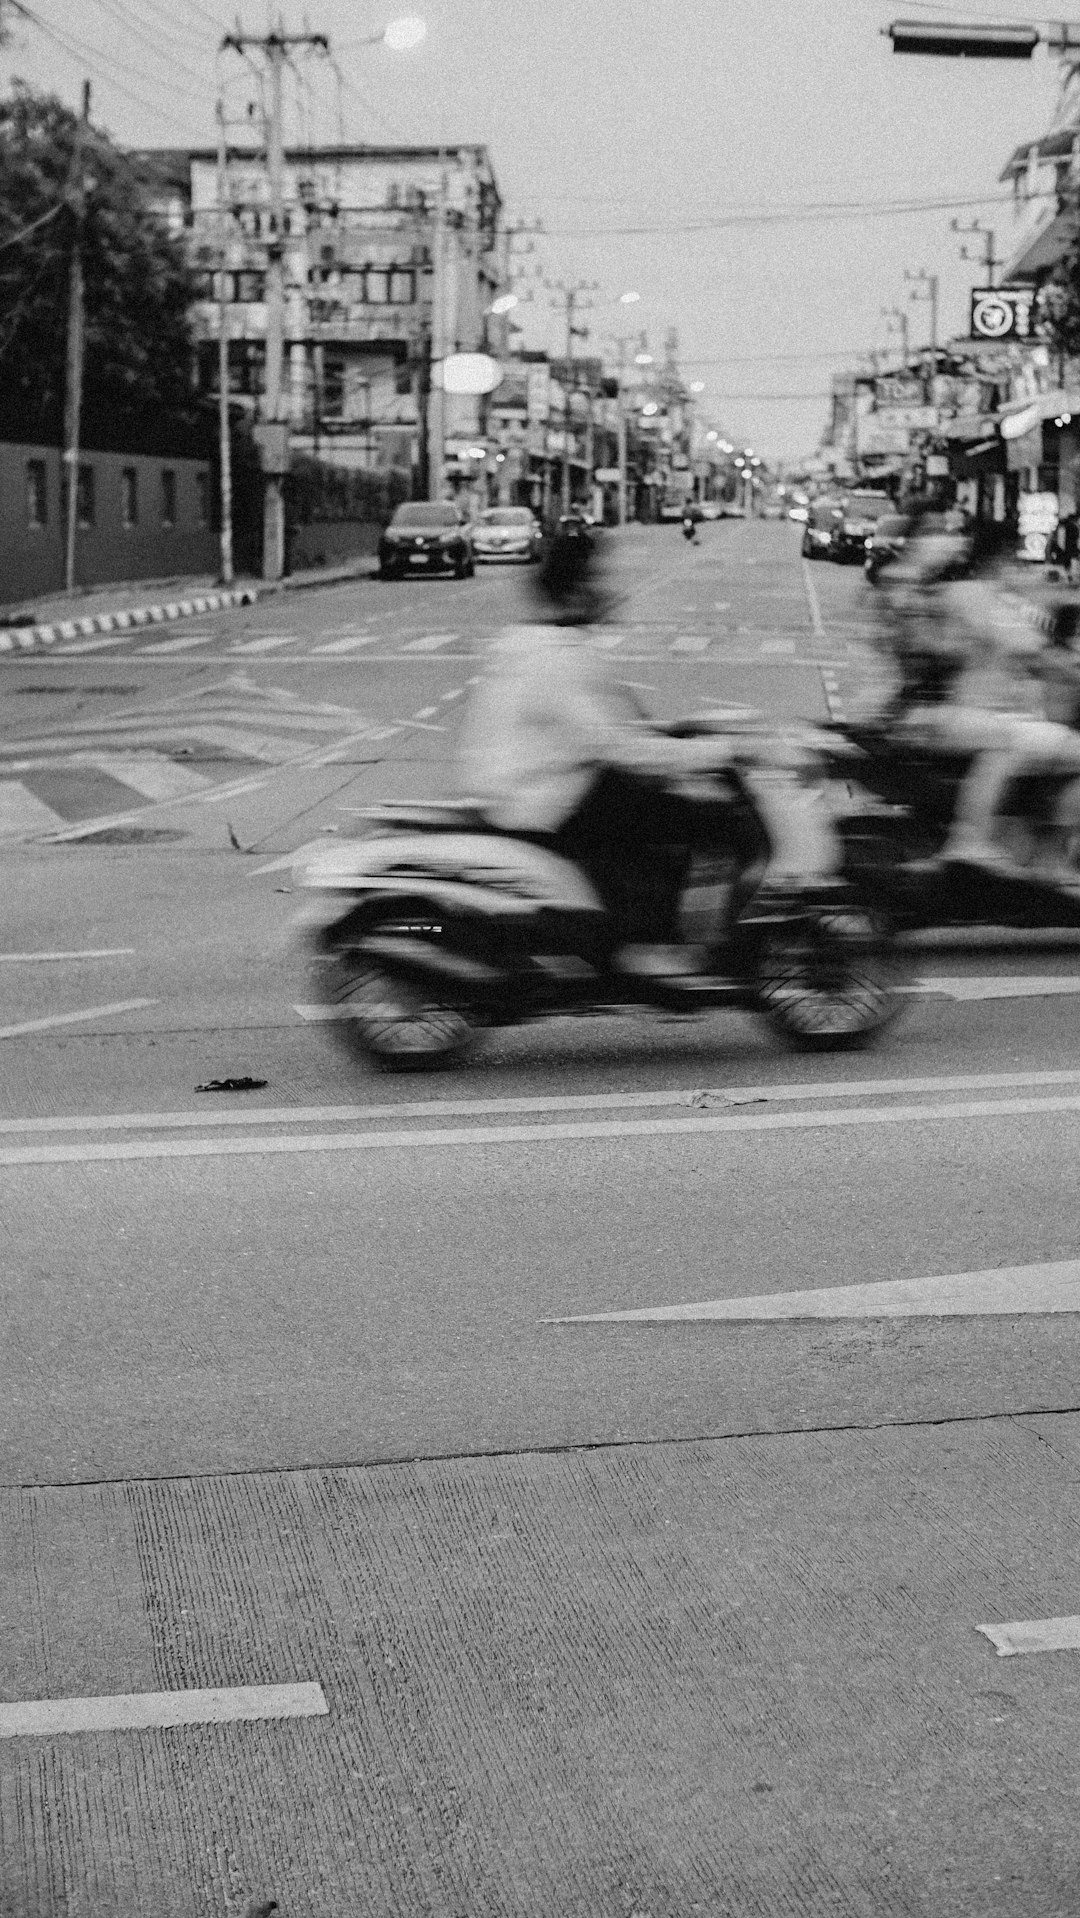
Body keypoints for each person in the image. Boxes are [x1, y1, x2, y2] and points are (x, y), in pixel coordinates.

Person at [454, 522, 828, 979]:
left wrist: (689, 733)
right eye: (596, 581)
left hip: (546, 785)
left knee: (668, 804)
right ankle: (653, 944)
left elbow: (618, 728)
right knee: (705, 818)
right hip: (547, 796)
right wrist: (710, 755)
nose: (606, 593)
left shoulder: (541, 643)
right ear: (574, 591)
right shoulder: (552, 657)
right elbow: (618, 746)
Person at [876, 506, 1080, 879]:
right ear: (1000, 558)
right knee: (1042, 744)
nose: (1019, 569)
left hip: (953, 710)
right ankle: (971, 839)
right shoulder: (978, 598)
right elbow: (1035, 651)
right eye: (1015, 560)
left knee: (1037, 739)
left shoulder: (963, 593)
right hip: (962, 713)